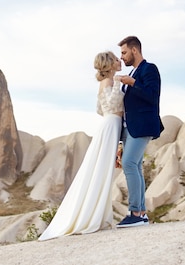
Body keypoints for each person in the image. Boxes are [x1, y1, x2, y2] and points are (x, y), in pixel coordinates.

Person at [38, 51, 124, 241]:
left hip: (109, 124)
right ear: (109, 64)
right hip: (111, 126)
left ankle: (95, 213)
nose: (120, 61)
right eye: (116, 59)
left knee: (100, 170)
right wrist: (119, 83)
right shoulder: (110, 82)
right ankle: (93, 215)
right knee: (101, 170)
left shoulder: (104, 83)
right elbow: (111, 103)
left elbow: (98, 109)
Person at [116, 36, 162, 228]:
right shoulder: (133, 72)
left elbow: (153, 96)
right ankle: (141, 214)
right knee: (136, 167)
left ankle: (134, 212)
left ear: (134, 50)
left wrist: (133, 83)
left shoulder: (149, 69)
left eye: (124, 52)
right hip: (129, 128)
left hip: (142, 125)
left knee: (128, 163)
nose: (122, 57)